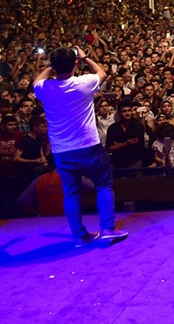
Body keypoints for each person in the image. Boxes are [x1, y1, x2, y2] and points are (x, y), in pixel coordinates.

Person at [32, 46, 128, 247]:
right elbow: (102, 72)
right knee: (103, 184)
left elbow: (36, 81)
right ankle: (108, 229)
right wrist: (85, 58)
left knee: (71, 193)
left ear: (54, 65)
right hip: (88, 145)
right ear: (75, 63)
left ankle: (79, 236)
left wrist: (52, 67)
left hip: (61, 150)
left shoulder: (45, 88)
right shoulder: (84, 83)